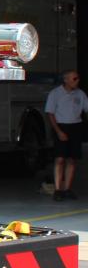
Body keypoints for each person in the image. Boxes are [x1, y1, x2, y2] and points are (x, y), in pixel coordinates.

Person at [44, 69, 88, 200]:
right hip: (61, 126)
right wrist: (58, 131)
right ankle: (58, 189)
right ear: (66, 80)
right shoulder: (56, 93)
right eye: (74, 79)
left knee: (72, 159)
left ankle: (67, 188)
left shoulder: (80, 94)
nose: (77, 81)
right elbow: (50, 113)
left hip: (75, 127)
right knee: (60, 159)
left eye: (77, 78)